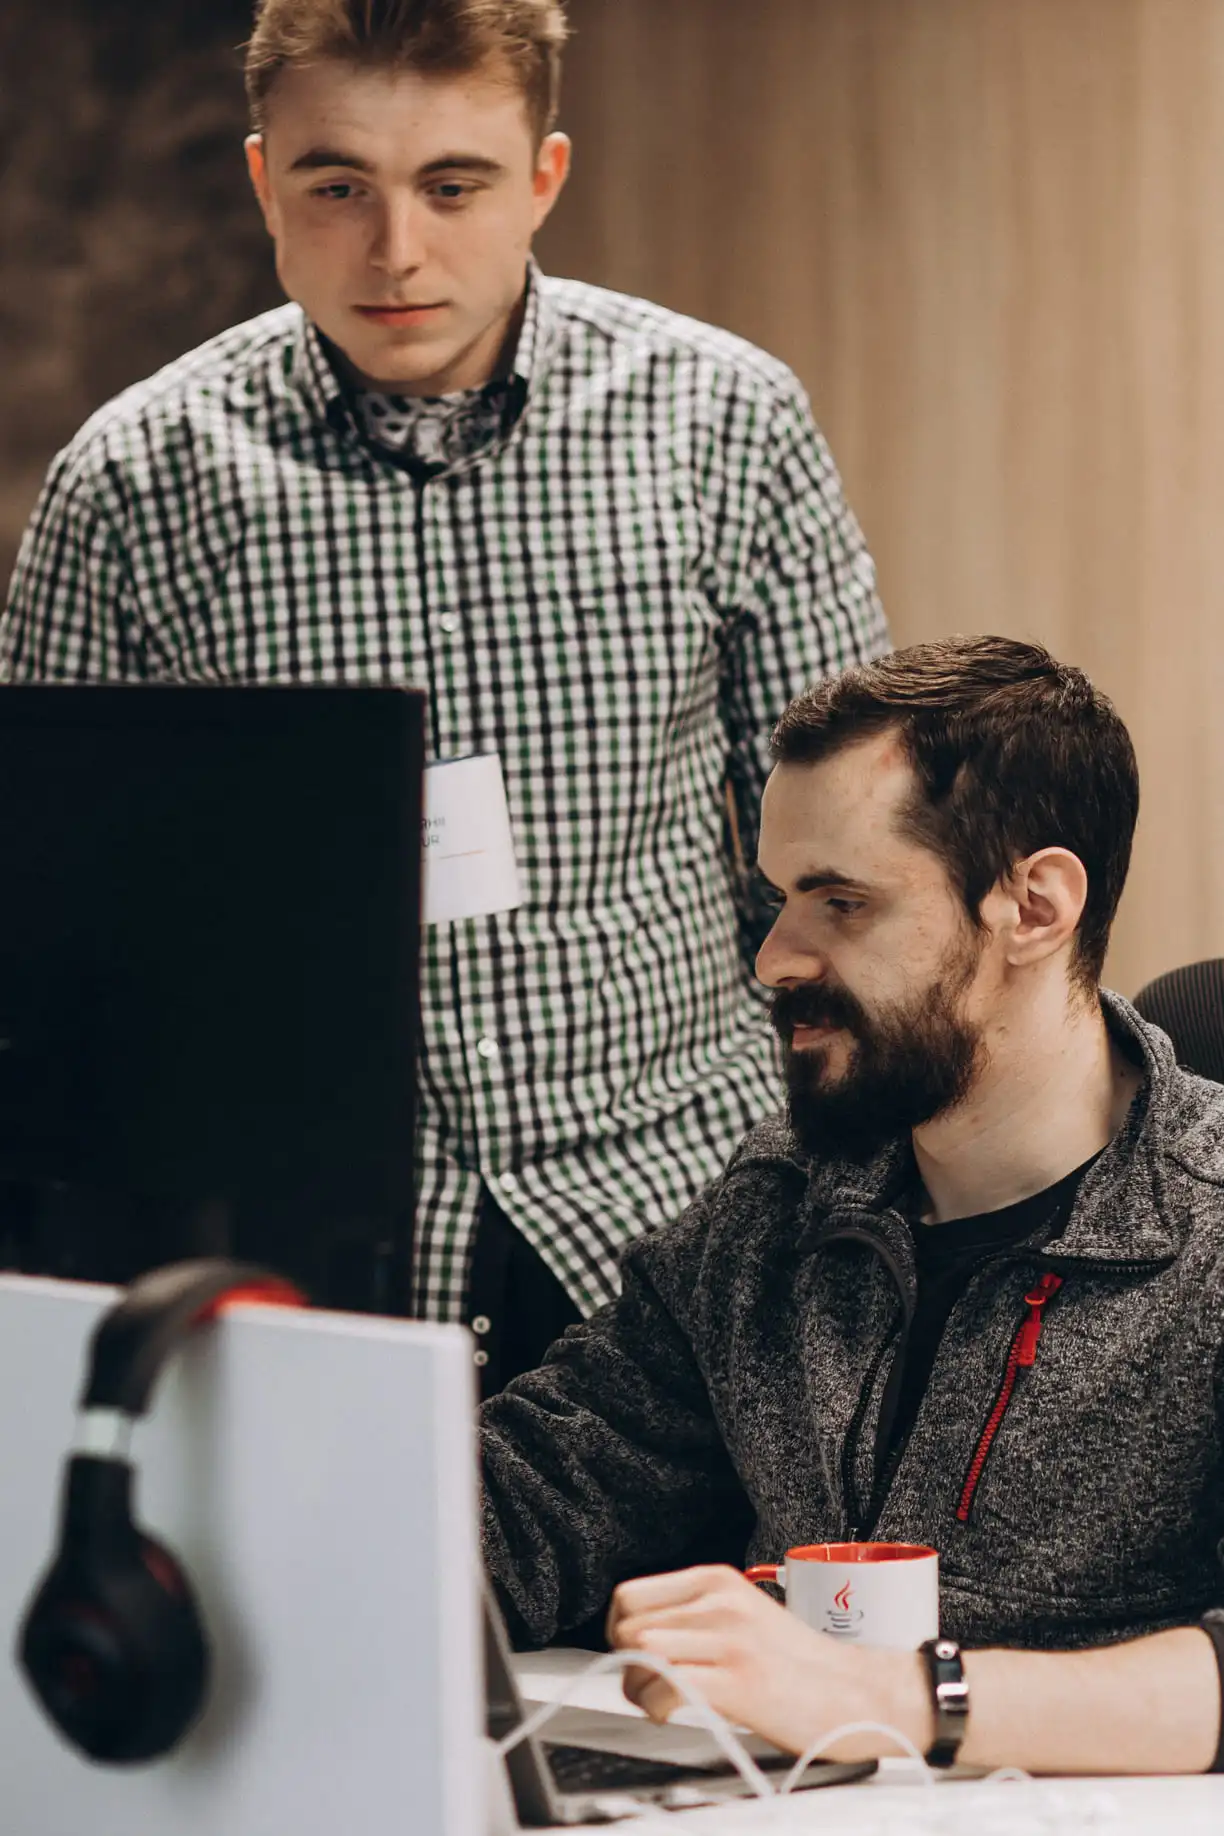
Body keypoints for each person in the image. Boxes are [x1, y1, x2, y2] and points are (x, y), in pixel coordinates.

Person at [0, 0, 887, 1388]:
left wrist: (860, 1189)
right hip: (299, 1259)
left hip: (687, 1211)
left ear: (544, 177)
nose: (395, 250)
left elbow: (853, 867)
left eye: (452, 185)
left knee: (687, 1614)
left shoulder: (724, 420)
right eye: (337, 185)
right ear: (262, 184)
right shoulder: (133, 484)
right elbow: (53, 944)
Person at [481, 636, 1224, 1774]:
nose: (775, 958)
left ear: (1033, 905)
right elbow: (532, 1501)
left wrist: (893, 1694)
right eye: (780, 900)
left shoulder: (1206, 1231)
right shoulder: (780, 1209)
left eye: (842, 901)